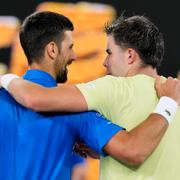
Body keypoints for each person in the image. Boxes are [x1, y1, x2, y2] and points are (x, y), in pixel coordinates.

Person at [0, 13, 180, 180]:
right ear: (52, 50)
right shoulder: (78, 112)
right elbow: (131, 149)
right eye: (70, 47)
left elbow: (34, 98)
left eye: (109, 53)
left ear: (131, 55)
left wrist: (7, 78)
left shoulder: (108, 91)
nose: (75, 56)